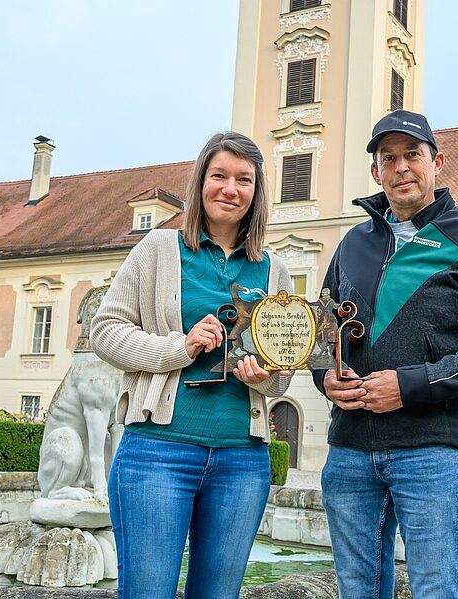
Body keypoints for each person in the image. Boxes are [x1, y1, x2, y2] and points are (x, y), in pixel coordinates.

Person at [313, 110, 458, 599]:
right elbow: (323, 334)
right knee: (357, 591)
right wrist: (324, 377)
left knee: (439, 589)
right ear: (376, 172)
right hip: (349, 451)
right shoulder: (352, 244)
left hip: (432, 451)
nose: (401, 167)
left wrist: (410, 386)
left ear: (437, 163)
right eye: (388, 158)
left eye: (412, 154)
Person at [90, 131, 292, 599]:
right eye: (219, 175)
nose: (231, 189)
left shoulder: (274, 270)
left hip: (242, 460)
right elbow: (105, 331)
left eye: (244, 179)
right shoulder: (158, 249)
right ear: (200, 182)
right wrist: (179, 347)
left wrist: (267, 378)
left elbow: (284, 369)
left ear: (257, 191)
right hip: (157, 452)